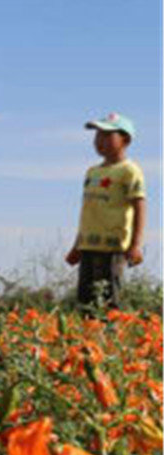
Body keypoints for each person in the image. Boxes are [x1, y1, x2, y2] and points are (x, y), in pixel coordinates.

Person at [65, 112, 147, 311]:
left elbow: (139, 206)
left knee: (109, 300)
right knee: (85, 301)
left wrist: (135, 245)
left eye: (107, 135)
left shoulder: (129, 171)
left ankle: (109, 339)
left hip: (113, 247)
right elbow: (88, 212)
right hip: (88, 246)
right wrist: (77, 245)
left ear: (125, 139)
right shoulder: (92, 172)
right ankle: (86, 339)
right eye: (97, 136)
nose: (99, 141)